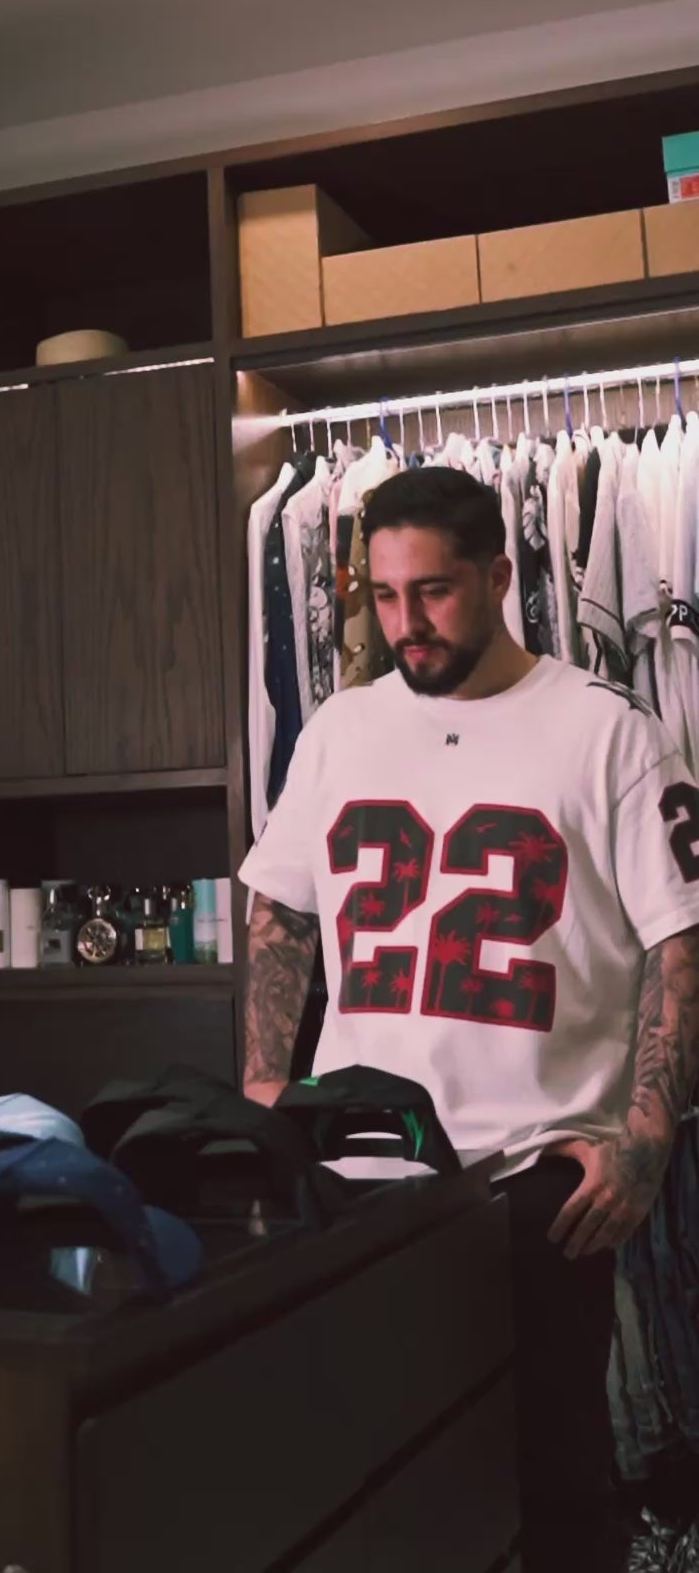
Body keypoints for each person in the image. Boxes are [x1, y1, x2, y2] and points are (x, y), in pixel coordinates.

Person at [239, 466, 699, 1573]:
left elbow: (679, 940)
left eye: (434, 592)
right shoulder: (340, 729)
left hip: (533, 1178)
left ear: (500, 577)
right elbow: (281, 908)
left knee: (552, 1486)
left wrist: (645, 1133)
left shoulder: (610, 730)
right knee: (373, 1494)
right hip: (357, 1170)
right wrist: (261, 1089)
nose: (406, 623)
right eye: (385, 596)